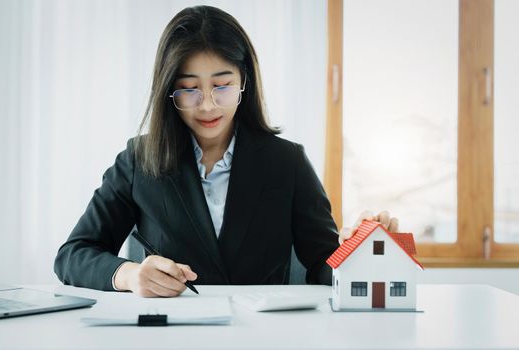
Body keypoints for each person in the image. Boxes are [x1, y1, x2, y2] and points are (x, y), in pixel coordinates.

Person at [54, 5, 400, 297]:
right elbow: (72, 255)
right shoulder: (138, 160)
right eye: (188, 89)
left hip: (265, 337)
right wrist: (128, 276)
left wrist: (357, 251)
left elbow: (325, 261)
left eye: (222, 86)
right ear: (167, 92)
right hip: (172, 336)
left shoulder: (286, 162)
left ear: (243, 82)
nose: (207, 105)